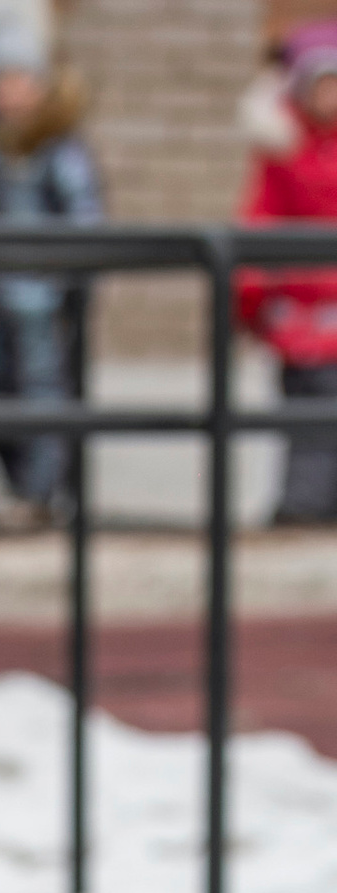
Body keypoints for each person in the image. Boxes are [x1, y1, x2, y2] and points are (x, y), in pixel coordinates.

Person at [0, 31, 103, 520]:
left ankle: (39, 492)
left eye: (17, 79)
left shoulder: (58, 150)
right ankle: (20, 483)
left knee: (42, 394)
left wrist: (69, 284)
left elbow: (85, 219)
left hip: (42, 298)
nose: (5, 91)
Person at [237, 24, 337, 524]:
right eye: (323, 83)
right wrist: (250, 300)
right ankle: (302, 508)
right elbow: (259, 225)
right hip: (302, 316)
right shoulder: (284, 153)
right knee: (307, 423)